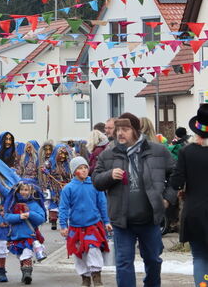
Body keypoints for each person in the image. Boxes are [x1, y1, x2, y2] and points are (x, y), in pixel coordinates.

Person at [93, 112, 175, 287]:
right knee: (123, 263)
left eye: (125, 129)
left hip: (149, 218)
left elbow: (176, 175)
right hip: (122, 221)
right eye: (118, 129)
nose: (120, 133)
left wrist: (167, 199)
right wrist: (109, 175)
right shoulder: (108, 154)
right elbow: (96, 181)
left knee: (153, 260)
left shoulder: (157, 151)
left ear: (136, 131)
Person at [170, 104, 208, 286]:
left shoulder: (186, 152)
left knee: (200, 257)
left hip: (195, 213)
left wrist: (182, 188)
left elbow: (176, 182)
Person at [59, 157, 111, 287]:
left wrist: (106, 221)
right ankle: (85, 279)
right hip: (76, 227)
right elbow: (63, 208)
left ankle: (97, 278)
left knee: (93, 250)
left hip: (93, 225)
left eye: (85, 167)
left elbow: (102, 204)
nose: (84, 170)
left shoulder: (95, 185)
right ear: (73, 171)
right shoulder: (68, 189)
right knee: (79, 254)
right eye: (80, 168)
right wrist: (63, 225)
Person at [3, 180, 46, 285]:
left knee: (27, 253)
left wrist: (30, 214)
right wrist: (19, 217)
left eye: (26, 190)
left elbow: (42, 218)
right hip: (16, 235)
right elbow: (7, 217)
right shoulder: (13, 204)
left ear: (31, 191)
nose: (23, 192)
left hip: (29, 235)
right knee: (21, 255)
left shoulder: (34, 204)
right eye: (21, 189)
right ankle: (24, 272)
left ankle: (27, 274)